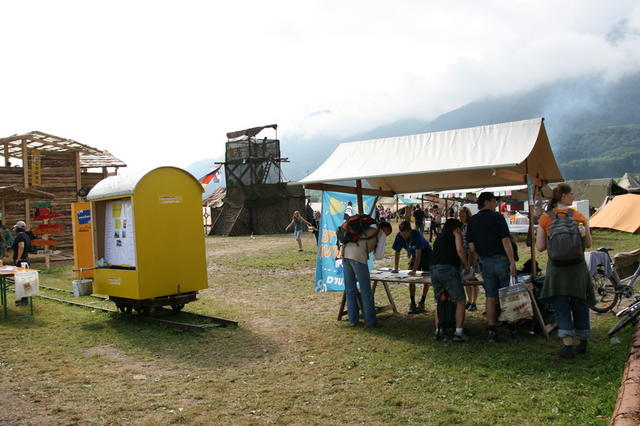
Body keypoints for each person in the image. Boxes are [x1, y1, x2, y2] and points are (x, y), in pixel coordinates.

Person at [536, 183, 595, 359]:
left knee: (562, 305)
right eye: (570, 194)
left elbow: (539, 247)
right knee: (579, 302)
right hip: (577, 268)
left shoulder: (546, 219)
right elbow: (589, 244)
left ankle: (567, 346)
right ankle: (583, 340)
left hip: (557, 270)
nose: (572, 196)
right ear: (562, 196)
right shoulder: (579, 216)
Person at [466, 192, 518, 343]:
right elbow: (506, 241)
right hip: (501, 260)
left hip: (485, 262)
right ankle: (511, 331)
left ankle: (492, 331)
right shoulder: (497, 217)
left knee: (490, 296)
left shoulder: (473, 221)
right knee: (506, 295)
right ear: (487, 202)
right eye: (494, 201)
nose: (496, 204)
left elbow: (471, 246)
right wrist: (512, 261)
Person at [341, 221, 393, 327]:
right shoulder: (381, 233)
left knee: (350, 290)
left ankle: (353, 320)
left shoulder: (366, 228)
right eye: (388, 234)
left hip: (345, 253)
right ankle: (370, 321)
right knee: (366, 291)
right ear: (386, 229)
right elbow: (378, 256)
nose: (386, 236)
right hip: (358, 257)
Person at [431, 218, 470, 342]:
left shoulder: (439, 237)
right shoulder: (455, 232)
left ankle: (438, 330)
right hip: (448, 269)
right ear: (456, 227)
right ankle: (458, 332)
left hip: (434, 270)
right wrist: (467, 264)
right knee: (460, 300)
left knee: (439, 300)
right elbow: (459, 249)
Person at [392, 221, 432, 314]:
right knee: (410, 278)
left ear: (410, 231)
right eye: (402, 233)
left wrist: (414, 270)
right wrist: (396, 268)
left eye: (406, 233)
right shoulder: (399, 236)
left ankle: (422, 302)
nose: (404, 236)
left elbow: (419, 254)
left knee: (425, 277)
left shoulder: (416, 234)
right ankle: (412, 303)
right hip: (414, 254)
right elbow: (397, 252)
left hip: (426, 253)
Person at [458, 207, 479, 312]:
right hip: (464, 255)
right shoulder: (461, 226)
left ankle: (474, 302)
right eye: (459, 216)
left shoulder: (471, 226)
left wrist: (473, 260)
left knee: (473, 279)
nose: (460, 218)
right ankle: (469, 301)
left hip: (471, 254)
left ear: (467, 215)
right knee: (466, 278)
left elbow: (473, 244)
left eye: (462, 216)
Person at [12, 220, 31, 306]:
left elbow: (21, 246)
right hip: (25, 260)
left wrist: (18, 258)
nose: (14, 229)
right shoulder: (26, 235)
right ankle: (24, 299)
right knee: (25, 281)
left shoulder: (20, 236)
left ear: (18, 228)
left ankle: (24, 300)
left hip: (21, 261)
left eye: (15, 227)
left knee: (22, 281)